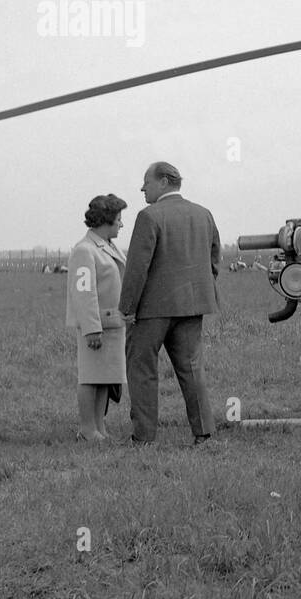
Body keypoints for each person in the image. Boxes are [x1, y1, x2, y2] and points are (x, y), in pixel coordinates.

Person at [119, 162, 221, 445]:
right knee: (192, 369)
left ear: (163, 182)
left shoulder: (148, 216)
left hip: (152, 310)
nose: (142, 188)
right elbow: (214, 260)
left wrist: (127, 307)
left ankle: (143, 437)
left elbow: (137, 268)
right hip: (192, 306)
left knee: (142, 370)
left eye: (146, 182)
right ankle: (204, 433)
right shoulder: (204, 214)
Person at [66, 194, 128, 442]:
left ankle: (99, 427)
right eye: (119, 219)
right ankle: (87, 428)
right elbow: (83, 292)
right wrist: (91, 328)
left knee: (105, 378)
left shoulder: (107, 246)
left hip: (112, 323)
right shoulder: (84, 250)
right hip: (97, 326)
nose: (121, 225)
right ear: (107, 220)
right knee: (91, 378)